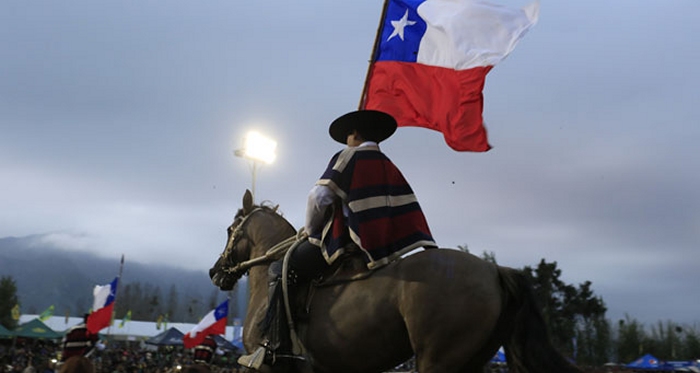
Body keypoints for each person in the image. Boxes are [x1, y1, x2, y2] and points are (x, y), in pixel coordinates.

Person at [238, 110, 436, 369]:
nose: (346, 140)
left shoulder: (348, 157)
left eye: (348, 135)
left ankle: (278, 347)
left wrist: (310, 230)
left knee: (280, 268)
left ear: (355, 133)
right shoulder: (388, 164)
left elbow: (318, 198)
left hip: (347, 244)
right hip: (384, 249)